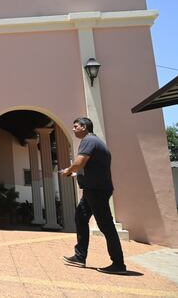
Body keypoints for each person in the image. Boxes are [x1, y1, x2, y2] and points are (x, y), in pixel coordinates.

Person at [61, 117, 127, 274]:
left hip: (96, 190)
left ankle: (118, 264)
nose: (73, 129)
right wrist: (76, 173)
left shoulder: (88, 140)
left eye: (76, 126)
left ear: (84, 127)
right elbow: (89, 167)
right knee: (80, 217)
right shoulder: (95, 142)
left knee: (106, 226)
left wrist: (68, 170)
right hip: (92, 189)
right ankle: (79, 256)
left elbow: (78, 163)